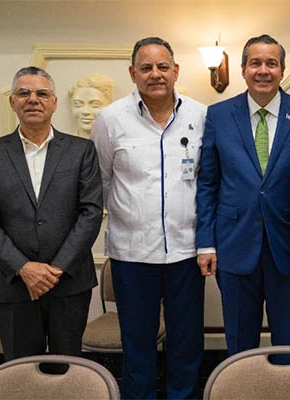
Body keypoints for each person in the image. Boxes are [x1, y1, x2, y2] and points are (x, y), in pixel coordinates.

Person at [90, 37, 206, 399]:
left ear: (176, 71)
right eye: (146, 68)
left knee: (187, 341)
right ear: (132, 73)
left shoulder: (200, 115)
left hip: (186, 251)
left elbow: (207, 180)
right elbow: (100, 181)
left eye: (162, 67)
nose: (155, 74)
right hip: (132, 254)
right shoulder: (110, 119)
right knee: (137, 343)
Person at [196, 34, 290, 359]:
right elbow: (208, 183)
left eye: (271, 63)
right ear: (242, 69)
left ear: (282, 70)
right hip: (234, 246)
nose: (263, 70)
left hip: (289, 248)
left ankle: (286, 386)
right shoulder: (219, 115)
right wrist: (206, 243)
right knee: (239, 345)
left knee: (288, 344)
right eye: (255, 63)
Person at [0, 66, 102, 362]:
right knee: (20, 370)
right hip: (14, 285)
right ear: (12, 101)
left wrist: (56, 269)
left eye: (42, 93)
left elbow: (91, 213)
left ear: (53, 102)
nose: (33, 99)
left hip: (68, 282)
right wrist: (24, 268)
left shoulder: (81, 150)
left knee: (67, 368)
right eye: (24, 93)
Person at [68, 73, 114, 138]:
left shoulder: (118, 142)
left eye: (95, 104)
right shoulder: (63, 143)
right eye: (78, 104)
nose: (85, 111)